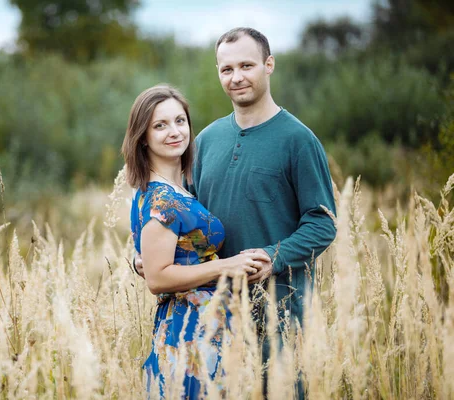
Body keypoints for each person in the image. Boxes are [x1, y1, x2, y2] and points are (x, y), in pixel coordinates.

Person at [135, 28, 337, 397]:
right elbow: (183, 215)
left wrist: (274, 257)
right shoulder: (205, 141)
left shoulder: (298, 140)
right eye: (227, 69)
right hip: (210, 314)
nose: (237, 77)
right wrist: (142, 257)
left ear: (269, 65)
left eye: (247, 65)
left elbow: (322, 222)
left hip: (278, 308)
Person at [122, 84, 270, 398]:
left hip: (205, 329)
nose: (174, 131)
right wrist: (228, 265)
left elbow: (171, 256)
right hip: (188, 334)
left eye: (180, 121)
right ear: (142, 137)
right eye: (159, 125)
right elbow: (159, 277)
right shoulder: (161, 197)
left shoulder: (177, 191)